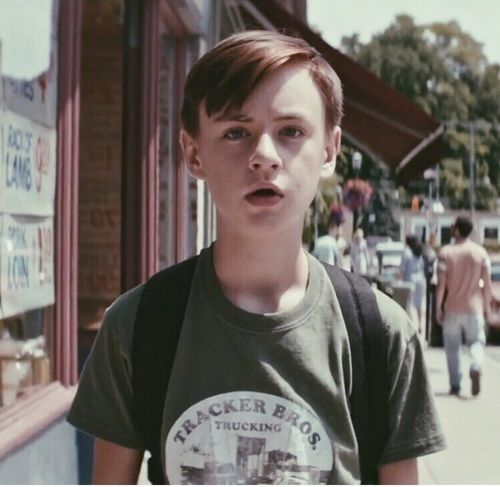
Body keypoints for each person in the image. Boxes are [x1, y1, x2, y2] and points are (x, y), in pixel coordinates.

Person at [67, 30, 445, 484]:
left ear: (329, 150)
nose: (264, 156)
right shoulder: (138, 325)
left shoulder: (380, 335)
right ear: (193, 153)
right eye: (235, 132)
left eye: (291, 132)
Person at [436, 216, 492, 397]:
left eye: (453, 226)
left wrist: (438, 307)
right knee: (477, 342)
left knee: (452, 348)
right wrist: (487, 308)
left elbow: (441, 285)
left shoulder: (446, 253)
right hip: (474, 308)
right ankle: (476, 366)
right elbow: (487, 285)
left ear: (458, 230)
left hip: (452, 307)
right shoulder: (481, 254)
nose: (451, 229)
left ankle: (455, 384)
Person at [400, 235, 426, 333]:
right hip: (421, 280)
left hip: (410, 281)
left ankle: (411, 326)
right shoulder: (419, 253)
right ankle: (420, 325)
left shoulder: (406, 252)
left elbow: (402, 269)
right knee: (419, 304)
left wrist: (399, 279)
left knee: (409, 304)